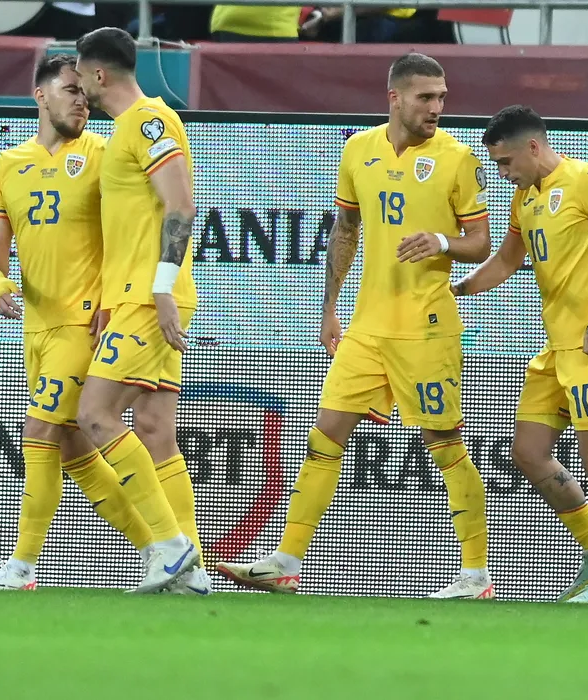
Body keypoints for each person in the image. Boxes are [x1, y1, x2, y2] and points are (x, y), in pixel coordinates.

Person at [217, 53, 495, 599]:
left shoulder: (458, 159)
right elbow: (346, 230)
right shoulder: (357, 150)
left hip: (426, 327)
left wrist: (442, 241)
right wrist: (329, 306)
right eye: (426, 97)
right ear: (395, 98)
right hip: (367, 326)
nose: (437, 107)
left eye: (442, 97)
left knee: (444, 442)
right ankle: (286, 562)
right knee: (325, 432)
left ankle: (476, 575)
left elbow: (482, 242)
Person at [0, 53, 156, 591]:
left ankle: (22, 566)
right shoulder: (8, 165)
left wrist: (115, 299)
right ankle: (160, 551)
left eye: (85, 93)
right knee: (72, 450)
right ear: (41, 96)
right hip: (37, 327)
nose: (82, 101)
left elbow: (133, 230)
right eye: (71, 91)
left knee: (40, 432)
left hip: (83, 323)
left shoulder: (102, 154)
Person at [450, 105, 588, 605]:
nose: (502, 173)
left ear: (534, 147)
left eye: (506, 161)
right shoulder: (525, 197)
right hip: (555, 347)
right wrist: (457, 290)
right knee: (528, 452)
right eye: (496, 164)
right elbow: (507, 260)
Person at [74, 27, 209, 595]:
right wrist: (110, 302)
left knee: (95, 415)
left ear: (99, 73)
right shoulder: (125, 131)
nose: (77, 84)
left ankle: (169, 548)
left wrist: (159, 289)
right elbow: (130, 226)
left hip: (151, 298)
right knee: (154, 430)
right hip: (132, 297)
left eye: (79, 72)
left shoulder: (150, 121)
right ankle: (192, 573)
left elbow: (181, 204)